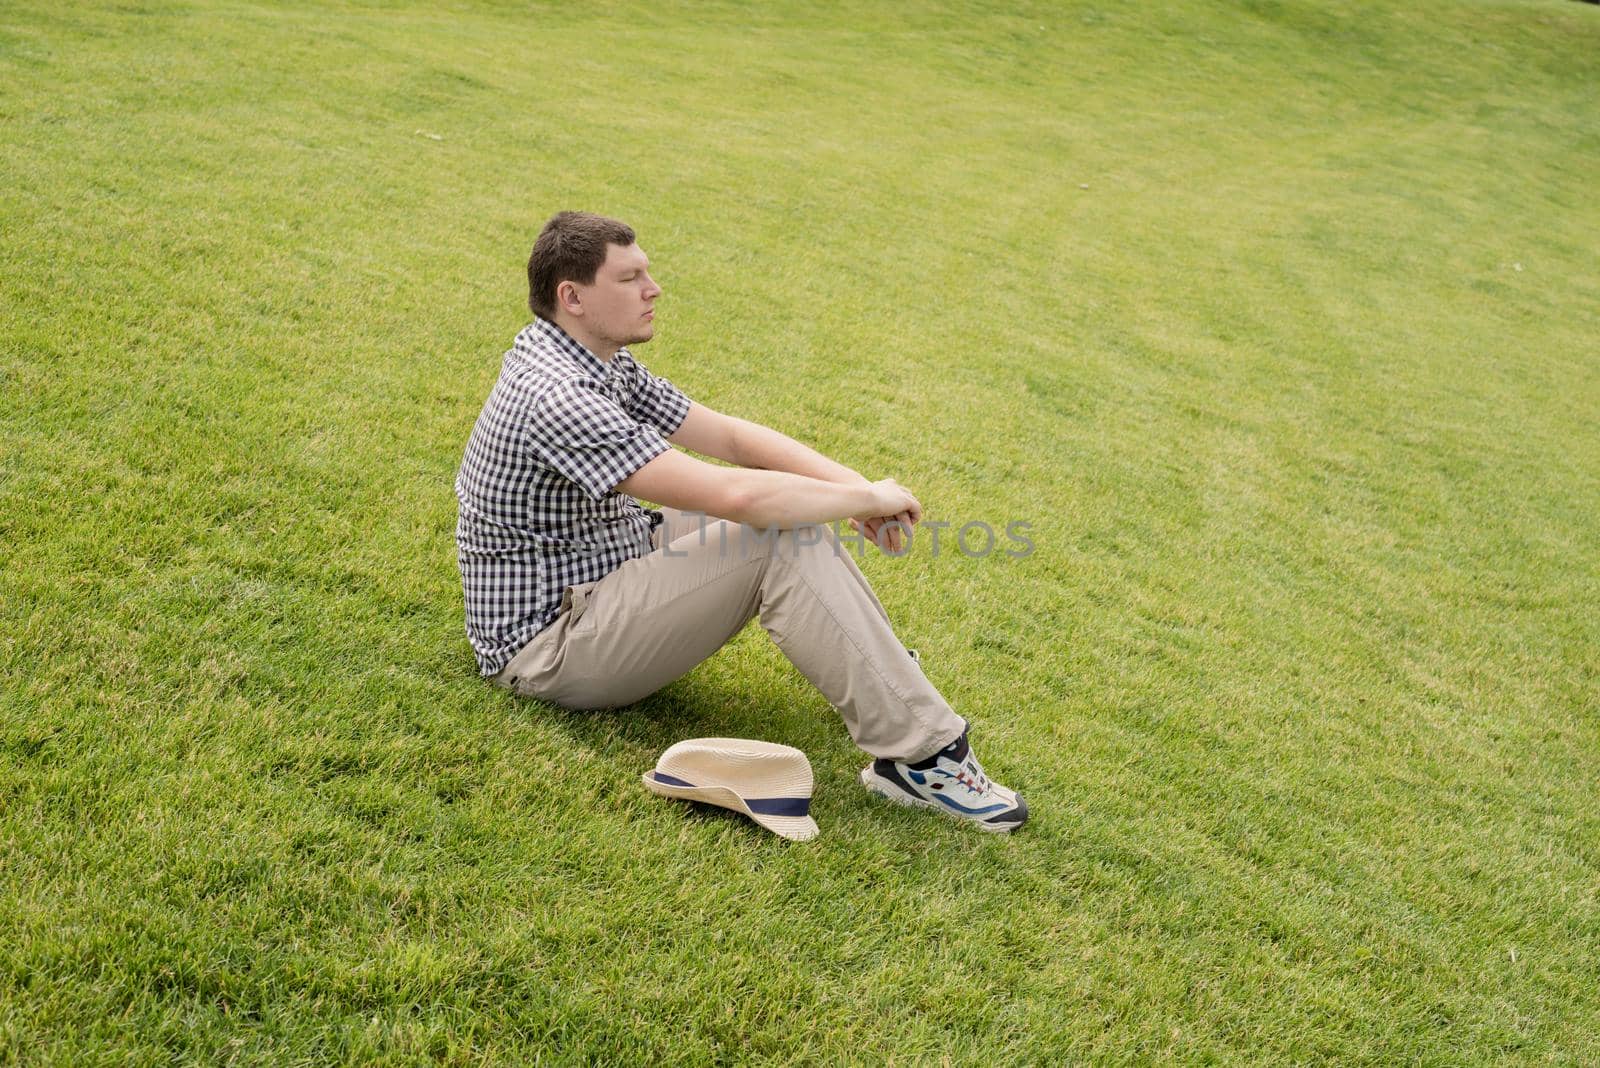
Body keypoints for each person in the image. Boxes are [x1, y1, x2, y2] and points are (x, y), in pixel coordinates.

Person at [454, 211, 1026, 833]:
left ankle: (881, 677)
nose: (654, 288)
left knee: (792, 516)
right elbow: (736, 495)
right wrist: (862, 501)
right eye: (631, 278)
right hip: (550, 646)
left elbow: (728, 436)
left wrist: (854, 488)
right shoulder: (557, 395)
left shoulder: (594, 357)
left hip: (605, 557)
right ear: (573, 297)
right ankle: (926, 759)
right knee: (775, 533)